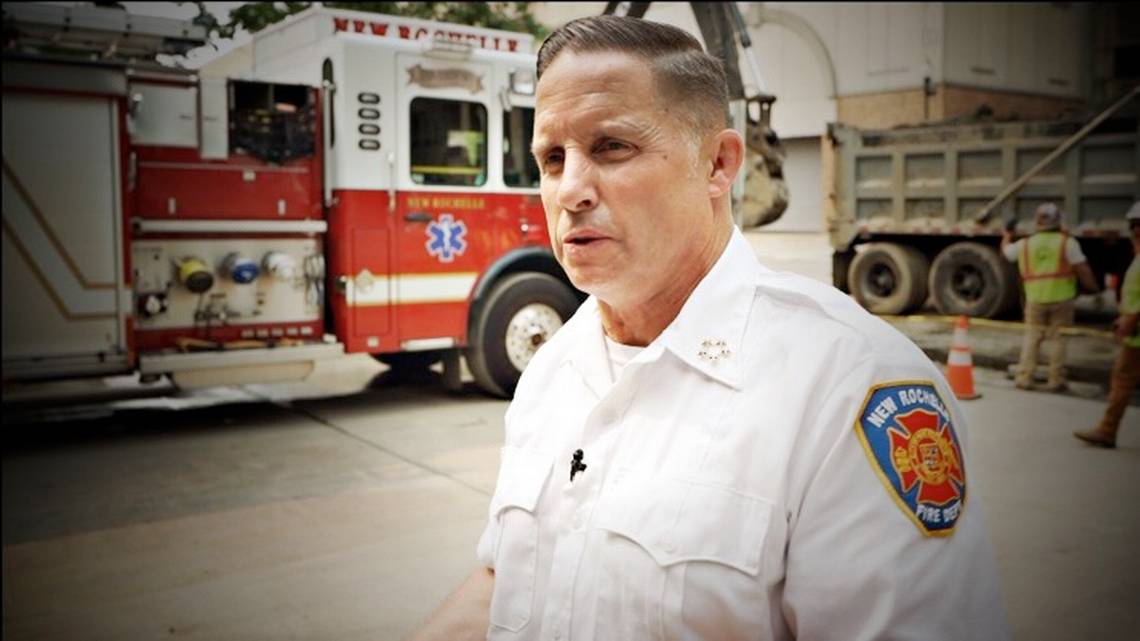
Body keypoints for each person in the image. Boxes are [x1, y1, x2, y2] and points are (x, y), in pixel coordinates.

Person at [407, 16, 1008, 641]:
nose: (571, 190)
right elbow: (507, 581)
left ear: (718, 164)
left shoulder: (848, 388)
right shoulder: (552, 371)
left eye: (612, 146)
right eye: (552, 159)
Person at [1001, 202, 1100, 391]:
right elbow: (1083, 269)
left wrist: (1007, 235)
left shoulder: (1025, 244)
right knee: (1059, 340)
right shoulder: (1067, 243)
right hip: (1062, 299)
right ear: (1058, 221)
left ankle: (1024, 377)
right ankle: (1056, 380)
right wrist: (1094, 289)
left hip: (1035, 299)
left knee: (1032, 338)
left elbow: (1007, 254)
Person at [1074, 202, 1140, 448]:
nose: (1133, 231)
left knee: (1122, 381)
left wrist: (1130, 319)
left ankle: (1107, 430)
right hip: (1133, 332)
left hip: (1135, 335)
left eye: (1135, 226)